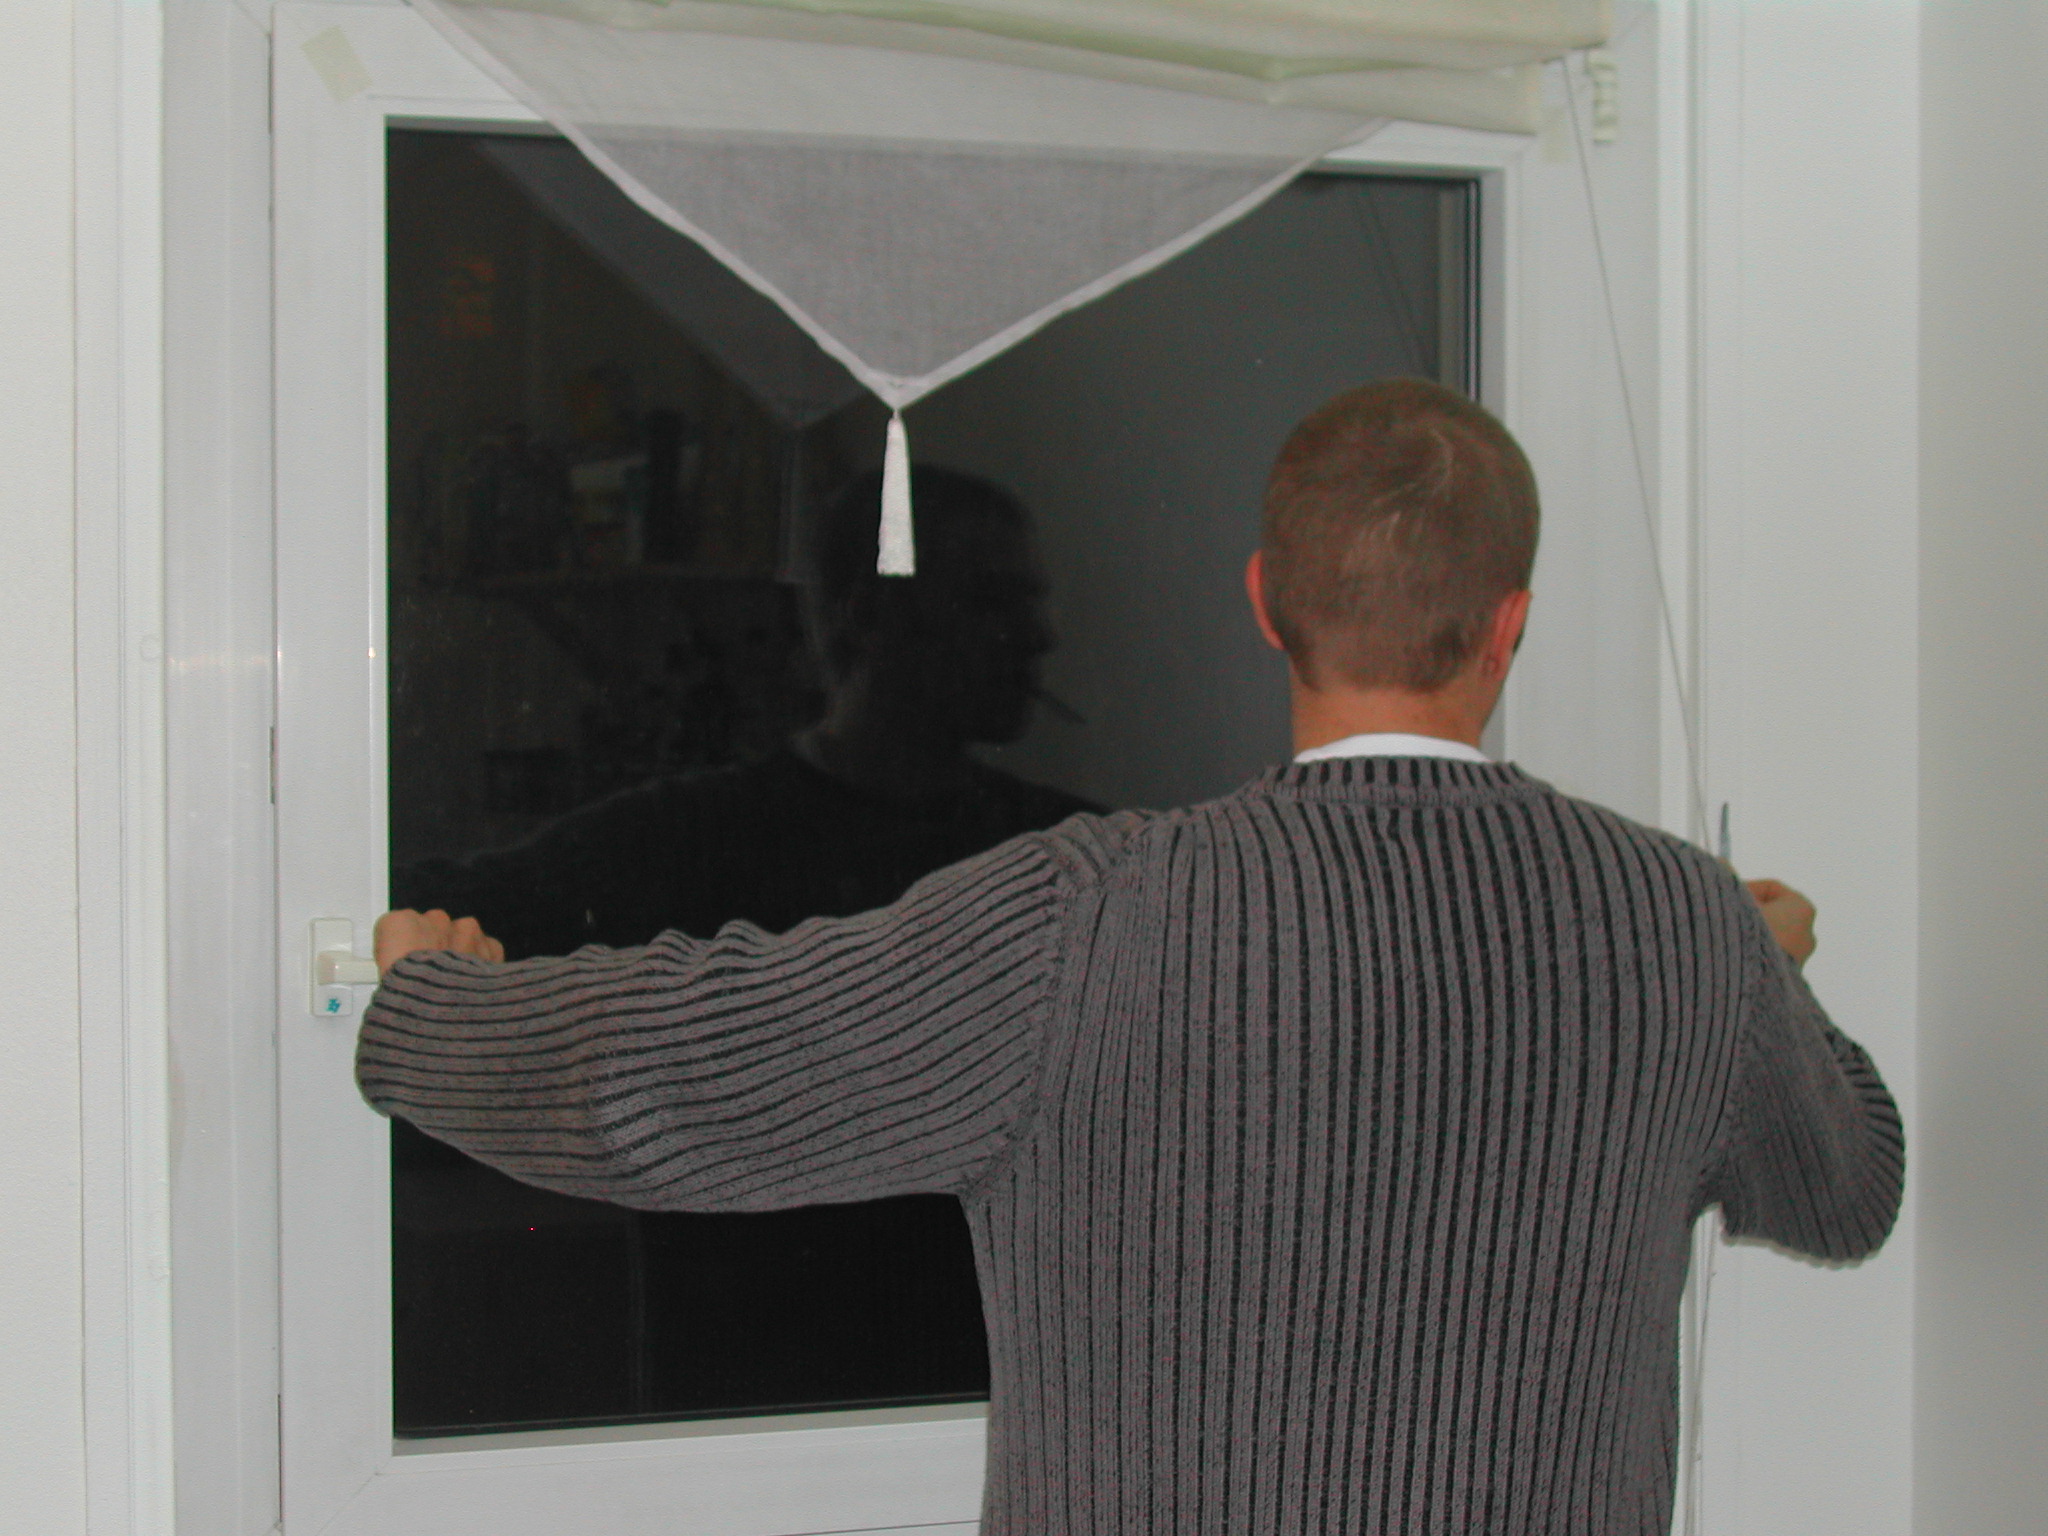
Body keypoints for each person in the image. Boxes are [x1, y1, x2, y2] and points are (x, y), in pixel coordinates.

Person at [360, 378, 1903, 1534]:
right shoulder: (1683, 924)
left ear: (1265, 604)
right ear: (1508, 625)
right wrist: (1761, 967)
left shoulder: (1083, 916)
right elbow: (1847, 1194)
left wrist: (430, 1009)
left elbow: (683, 1086)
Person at [389, 465, 1097, 1423]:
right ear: (865, 617)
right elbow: (415, 912)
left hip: (989, 1426)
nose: (1040, 635)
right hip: (738, 1431)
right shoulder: (686, 841)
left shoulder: (1071, 870)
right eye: (991, 598)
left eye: (1032, 600)